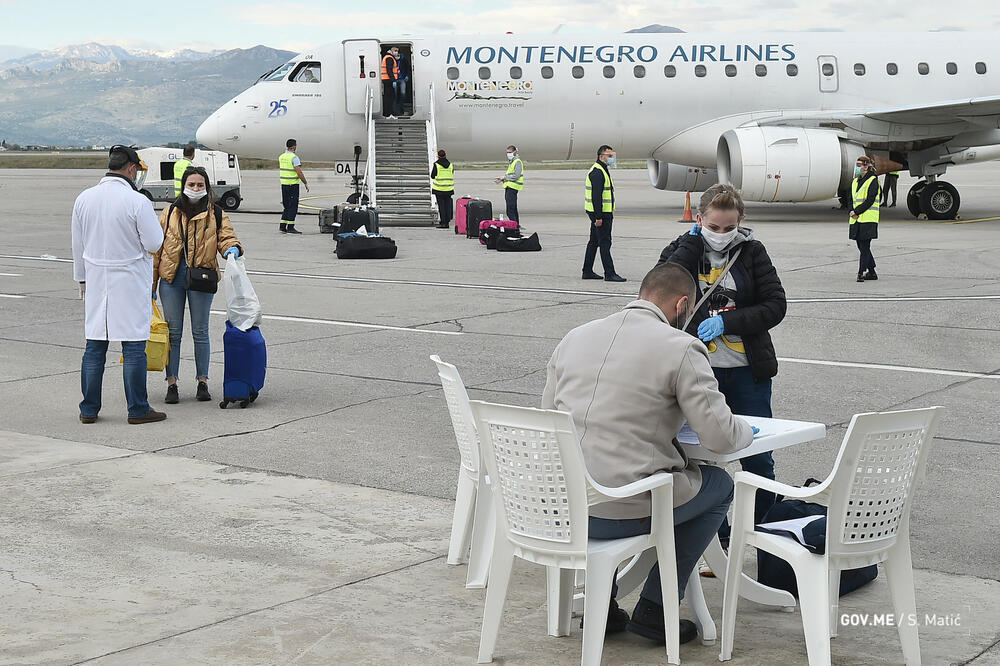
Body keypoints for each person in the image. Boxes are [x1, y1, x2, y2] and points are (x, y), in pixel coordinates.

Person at [543, 262, 753, 644]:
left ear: (642, 294)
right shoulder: (680, 347)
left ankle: (602, 605)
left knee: (617, 468)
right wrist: (747, 430)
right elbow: (721, 438)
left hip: (562, 508)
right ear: (682, 305)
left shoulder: (574, 337)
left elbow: (548, 419)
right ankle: (656, 607)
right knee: (719, 485)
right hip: (624, 508)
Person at [656, 184, 787, 550]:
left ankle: (758, 536)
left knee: (758, 458)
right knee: (697, 457)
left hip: (746, 372)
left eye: (728, 227)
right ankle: (714, 541)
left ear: (740, 222)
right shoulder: (684, 248)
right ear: (699, 220)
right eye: (713, 227)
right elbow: (661, 288)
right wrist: (692, 242)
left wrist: (728, 323)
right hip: (696, 374)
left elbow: (775, 305)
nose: (720, 234)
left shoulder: (753, 253)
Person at [71, 145, 166, 425]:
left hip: (97, 278)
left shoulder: (84, 198)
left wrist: (82, 279)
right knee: (134, 346)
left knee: (95, 346)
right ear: (132, 169)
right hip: (129, 279)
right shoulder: (137, 201)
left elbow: (78, 245)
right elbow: (154, 243)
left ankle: (89, 409)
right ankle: (137, 408)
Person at [153, 166, 242, 404]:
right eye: (191, 184)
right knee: (173, 333)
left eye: (200, 185)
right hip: (171, 277)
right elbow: (156, 250)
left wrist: (231, 250)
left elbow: (227, 238)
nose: (195, 189)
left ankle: (202, 381)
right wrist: (150, 286)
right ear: (183, 186)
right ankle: (172, 382)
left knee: (200, 331)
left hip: (201, 277)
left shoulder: (217, 214)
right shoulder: (169, 212)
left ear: (207, 187)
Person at [582, 144, 626, 282]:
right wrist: (598, 217)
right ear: (601, 156)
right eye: (609, 155)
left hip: (601, 213)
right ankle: (610, 273)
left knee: (594, 242)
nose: (612, 158)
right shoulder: (597, 172)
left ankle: (587, 271)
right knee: (605, 242)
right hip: (602, 214)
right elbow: (596, 196)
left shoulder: (602, 169)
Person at [850, 155, 880, 282]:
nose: (857, 168)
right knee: (862, 246)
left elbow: (870, 200)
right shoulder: (855, 181)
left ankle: (861, 272)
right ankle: (872, 272)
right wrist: (852, 211)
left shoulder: (873, 180)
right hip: (856, 219)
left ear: (866, 166)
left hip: (868, 218)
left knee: (865, 246)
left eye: (859, 165)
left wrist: (857, 211)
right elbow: (851, 198)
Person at [278, 138, 309, 234]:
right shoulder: (294, 158)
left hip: (284, 184)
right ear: (294, 146)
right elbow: (299, 171)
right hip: (293, 185)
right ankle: (290, 227)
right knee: (293, 206)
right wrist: (305, 182)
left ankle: (282, 226)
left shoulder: (281, 157)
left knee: (286, 206)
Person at [494, 145, 523, 224]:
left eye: (510, 152)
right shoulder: (512, 162)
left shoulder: (517, 162)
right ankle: (516, 226)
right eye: (507, 152)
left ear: (515, 152)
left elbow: (516, 176)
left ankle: (514, 226)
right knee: (513, 209)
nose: (508, 154)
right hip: (509, 187)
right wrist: (502, 179)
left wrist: (504, 177)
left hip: (513, 188)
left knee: (510, 210)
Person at [431, 149, 454, 229]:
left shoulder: (436, 165)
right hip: (448, 188)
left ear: (438, 156)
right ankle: (447, 222)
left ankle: (443, 222)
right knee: (447, 205)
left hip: (439, 189)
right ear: (445, 155)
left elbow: (432, 175)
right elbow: (451, 173)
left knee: (442, 206)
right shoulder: (450, 165)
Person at [381, 47, 400, 119]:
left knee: (389, 97)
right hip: (388, 80)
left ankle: (389, 113)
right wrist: (394, 80)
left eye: (397, 51)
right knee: (389, 98)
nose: (396, 52)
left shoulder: (388, 57)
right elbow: (389, 70)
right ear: (391, 51)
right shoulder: (389, 58)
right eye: (395, 51)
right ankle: (388, 114)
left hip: (387, 80)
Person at [396, 50, 411, 115]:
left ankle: (401, 108)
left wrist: (407, 75)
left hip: (402, 79)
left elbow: (408, 68)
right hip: (395, 79)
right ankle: (396, 111)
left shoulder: (403, 59)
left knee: (403, 94)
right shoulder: (392, 59)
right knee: (395, 95)